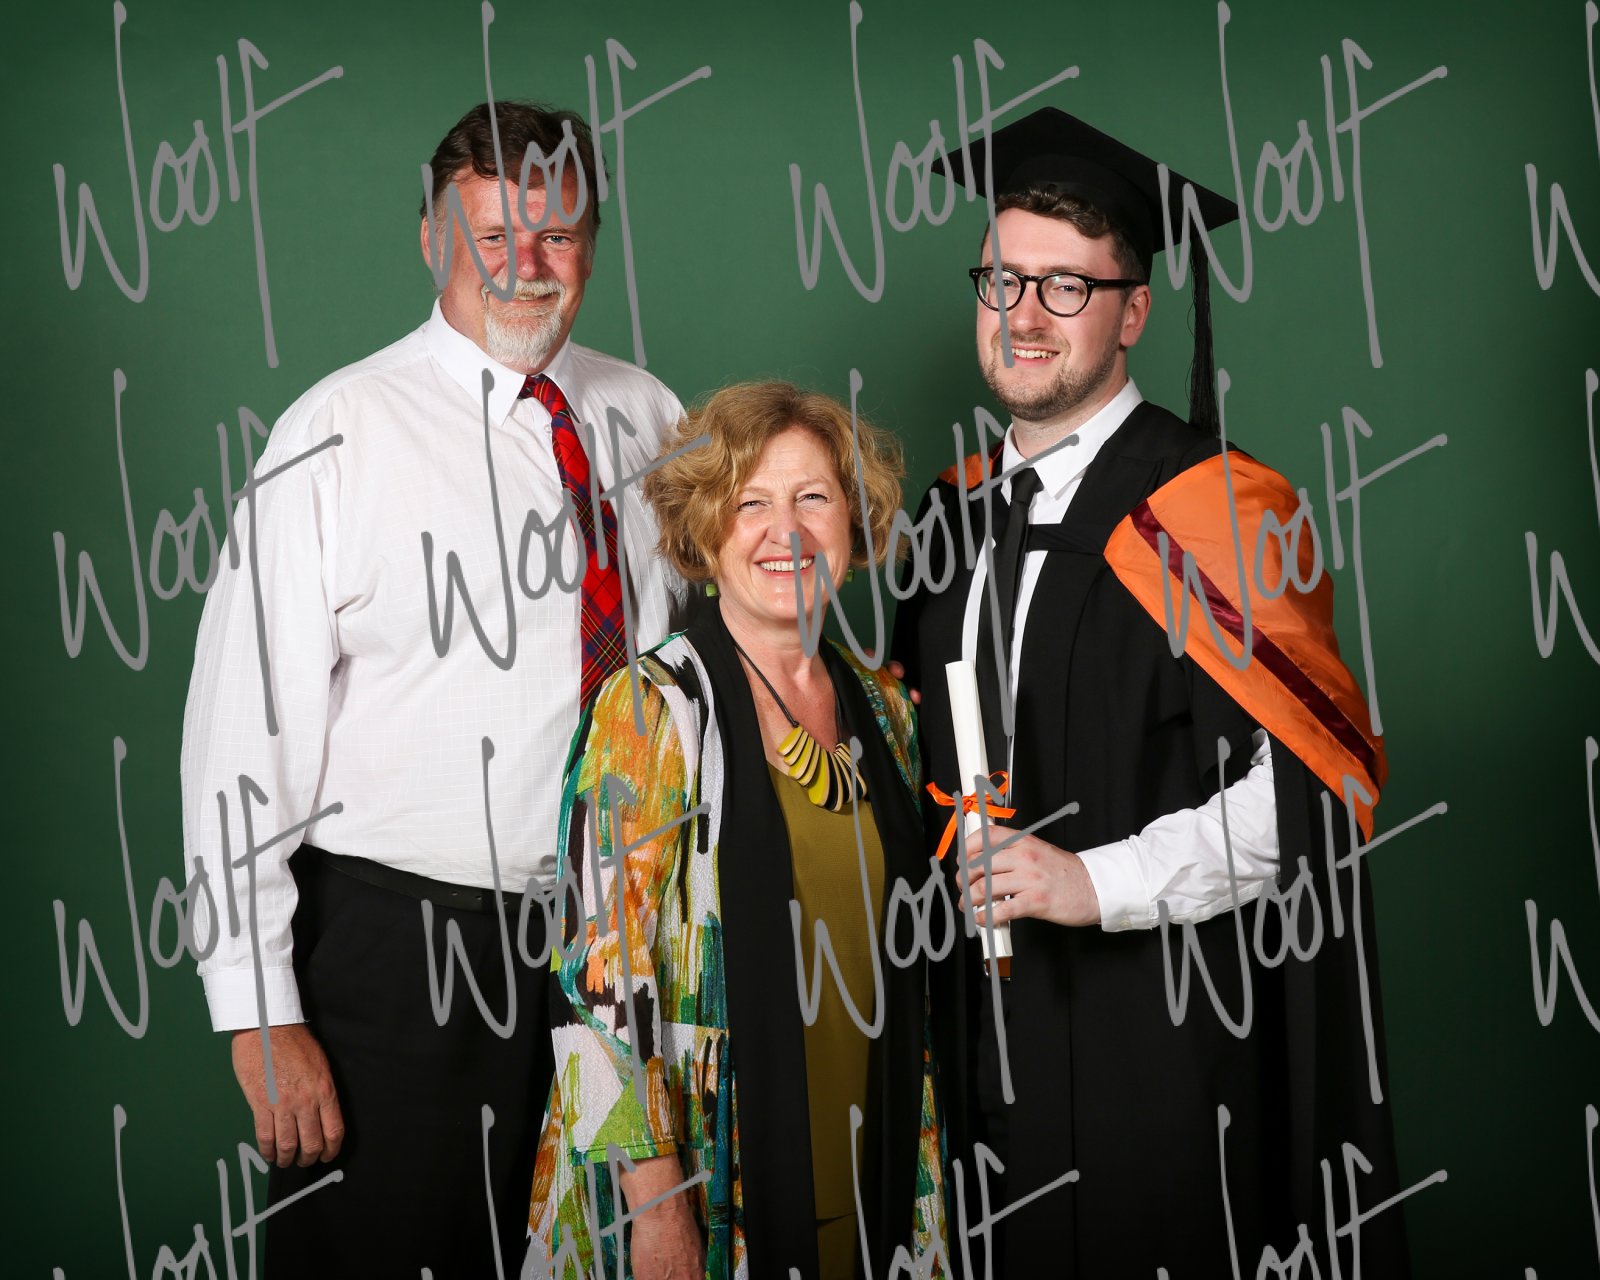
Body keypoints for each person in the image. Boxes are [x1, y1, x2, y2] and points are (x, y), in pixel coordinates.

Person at [891, 107, 1408, 1276]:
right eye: (1003, 279)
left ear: (1133, 311)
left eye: (1066, 287)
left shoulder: (1220, 509)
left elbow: (1309, 798)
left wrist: (1096, 880)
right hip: (973, 1037)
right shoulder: (950, 515)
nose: (1023, 314)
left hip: (1163, 1040)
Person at [180, 100, 684, 1277]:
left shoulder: (651, 417)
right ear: (431, 240)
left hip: (613, 949)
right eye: (490, 235)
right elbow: (236, 742)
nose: (524, 265)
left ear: (592, 244)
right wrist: (258, 1009)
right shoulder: (335, 432)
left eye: (555, 235)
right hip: (399, 964)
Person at [528, 382, 946, 1280]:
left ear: (854, 520)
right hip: (701, 1179)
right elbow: (593, 984)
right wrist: (657, 1206)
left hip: (868, 1151)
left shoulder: (887, 711)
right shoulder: (651, 710)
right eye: (750, 502)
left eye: (813, 497)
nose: (784, 530)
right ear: (705, 530)